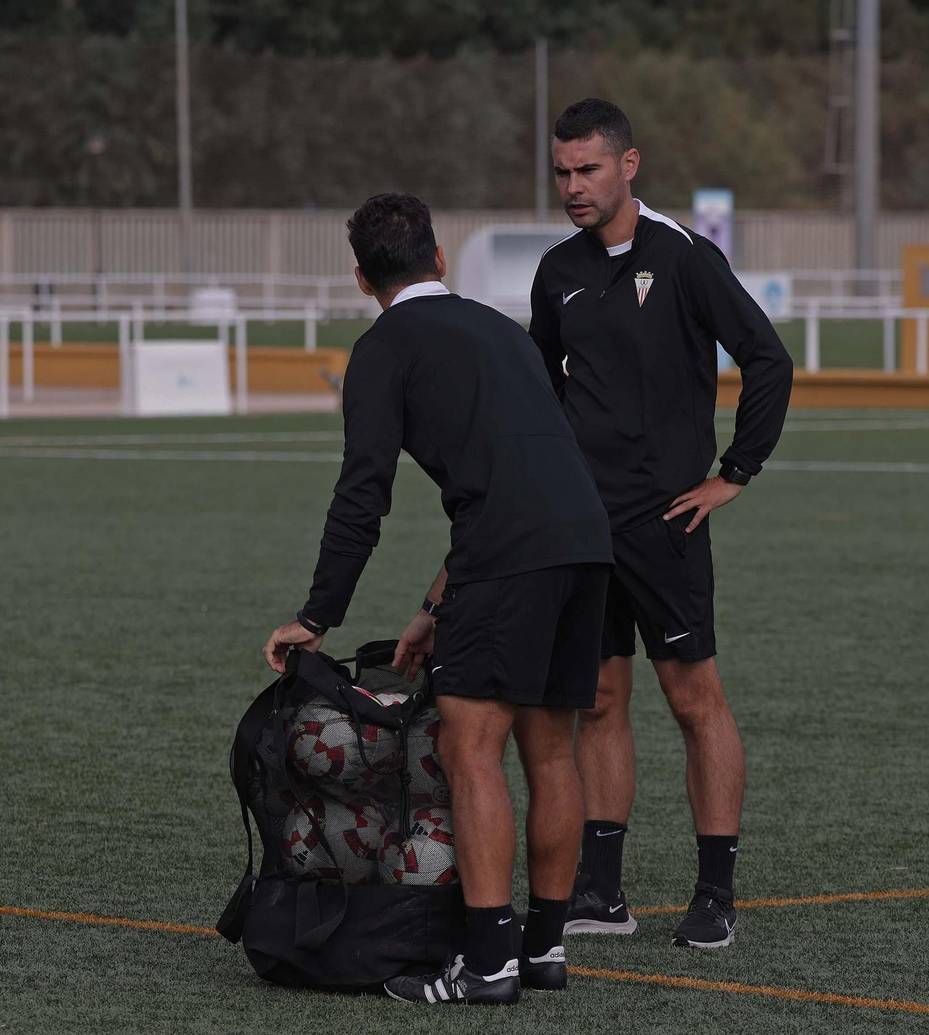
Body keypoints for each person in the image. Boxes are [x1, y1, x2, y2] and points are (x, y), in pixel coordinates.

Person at [261, 192, 614, 1005]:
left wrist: (316, 616)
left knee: (470, 749)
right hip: (585, 543)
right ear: (441, 258)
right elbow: (524, 471)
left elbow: (363, 494)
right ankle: (543, 950)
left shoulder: (382, 347)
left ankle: (487, 965)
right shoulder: (503, 330)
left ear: (361, 278)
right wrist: (434, 605)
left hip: (507, 555)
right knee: (550, 751)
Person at [528, 98, 794, 949]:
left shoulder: (683, 257)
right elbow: (543, 391)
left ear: (628, 165)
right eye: (562, 171)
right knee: (600, 699)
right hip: (581, 524)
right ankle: (602, 893)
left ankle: (715, 893)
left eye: (589, 169)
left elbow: (768, 360)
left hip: (664, 520)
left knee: (692, 699)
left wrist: (734, 472)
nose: (573, 186)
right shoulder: (555, 271)